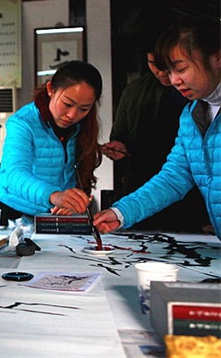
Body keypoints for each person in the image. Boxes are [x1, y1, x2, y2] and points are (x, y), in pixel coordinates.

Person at [94, 15, 220, 239]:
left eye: (180, 69)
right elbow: (174, 178)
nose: (174, 80)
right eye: (169, 72)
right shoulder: (191, 116)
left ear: (217, 58)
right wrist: (121, 212)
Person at [0, 60, 103, 220]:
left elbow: (75, 175)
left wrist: (71, 202)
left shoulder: (83, 126)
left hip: (53, 211)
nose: (72, 115)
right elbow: (15, 174)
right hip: (14, 209)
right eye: (67, 104)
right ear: (51, 89)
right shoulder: (23, 123)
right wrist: (55, 195)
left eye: (84, 109)